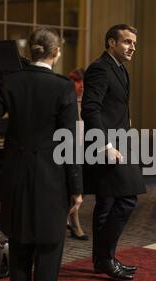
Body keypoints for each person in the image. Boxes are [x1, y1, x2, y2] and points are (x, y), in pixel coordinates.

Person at [0, 28, 83, 281]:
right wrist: (77, 189)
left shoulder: (11, 82)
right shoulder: (63, 86)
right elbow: (69, 143)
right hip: (52, 182)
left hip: (16, 180)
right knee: (48, 253)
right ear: (56, 53)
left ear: (29, 52)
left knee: (19, 251)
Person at [81, 24, 147, 281]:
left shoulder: (120, 69)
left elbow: (114, 106)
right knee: (128, 198)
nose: (132, 47)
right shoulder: (100, 68)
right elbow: (90, 109)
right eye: (127, 42)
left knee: (107, 204)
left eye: (134, 44)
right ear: (111, 43)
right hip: (107, 146)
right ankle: (106, 259)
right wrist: (105, 146)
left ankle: (101, 260)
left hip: (119, 142)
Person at [66, 68, 89, 241]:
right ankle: (74, 222)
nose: (80, 86)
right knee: (72, 189)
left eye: (82, 82)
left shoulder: (86, 100)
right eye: (77, 81)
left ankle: (72, 219)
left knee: (81, 188)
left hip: (85, 146)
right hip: (68, 147)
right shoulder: (65, 100)